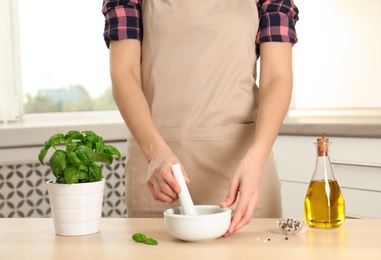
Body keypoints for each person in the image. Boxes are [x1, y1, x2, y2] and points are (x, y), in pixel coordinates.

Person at [102, 0, 299, 236]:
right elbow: (124, 73)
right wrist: (156, 154)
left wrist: (257, 157)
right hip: (160, 170)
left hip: (244, 168)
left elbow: (276, 77)